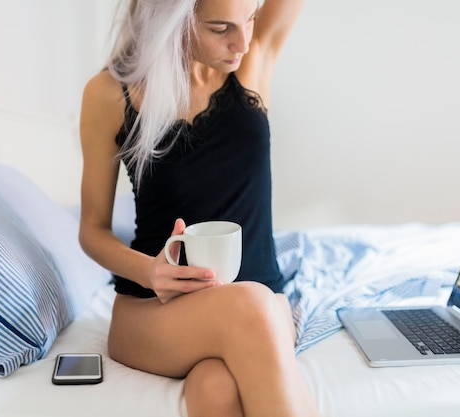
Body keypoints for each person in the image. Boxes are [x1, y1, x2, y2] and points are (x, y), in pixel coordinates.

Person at [78, 0, 321, 416]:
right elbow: (92, 230)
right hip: (154, 312)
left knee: (215, 388)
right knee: (255, 308)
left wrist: (235, 24)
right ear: (170, 21)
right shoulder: (109, 95)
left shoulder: (252, 60)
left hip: (259, 297)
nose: (242, 41)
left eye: (248, 19)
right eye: (220, 27)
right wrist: (149, 272)